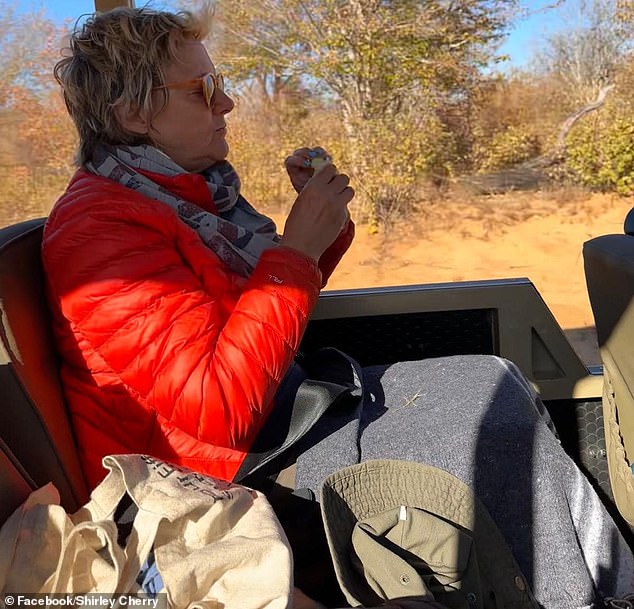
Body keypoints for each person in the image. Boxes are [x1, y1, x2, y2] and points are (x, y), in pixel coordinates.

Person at [42, 5, 634, 609]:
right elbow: (217, 411)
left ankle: (607, 586)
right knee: (484, 426)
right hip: (219, 473)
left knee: (493, 376)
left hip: (275, 417)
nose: (227, 104)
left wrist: (320, 235)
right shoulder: (99, 228)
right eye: (204, 90)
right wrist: (296, 248)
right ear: (132, 112)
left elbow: (263, 318)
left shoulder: (186, 198)